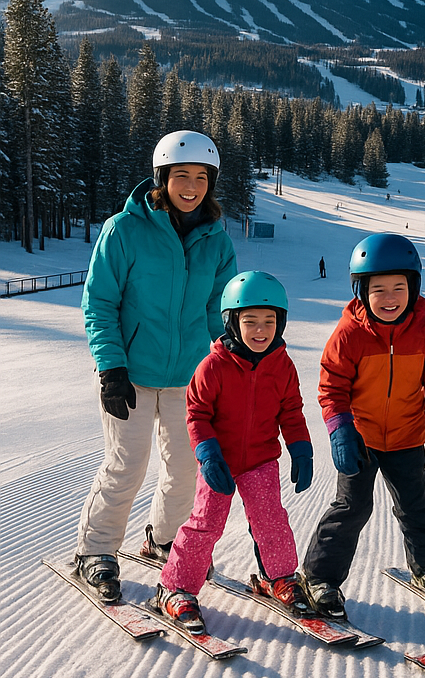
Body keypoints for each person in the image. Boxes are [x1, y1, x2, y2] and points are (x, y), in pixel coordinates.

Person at [76, 131, 237, 603]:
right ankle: (96, 550)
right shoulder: (124, 230)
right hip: (130, 373)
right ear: (161, 178)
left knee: (187, 467)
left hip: (189, 377)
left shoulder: (216, 240)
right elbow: (100, 302)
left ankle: (164, 540)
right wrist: (110, 368)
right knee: (127, 463)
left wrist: (226, 362)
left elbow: (220, 310)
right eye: (181, 175)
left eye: (201, 177)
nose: (191, 186)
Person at [301, 233, 425, 619]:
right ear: (361, 291)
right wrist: (340, 428)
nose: (390, 298)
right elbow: (332, 386)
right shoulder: (349, 335)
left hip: (407, 437)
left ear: (414, 287)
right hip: (361, 437)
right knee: (352, 507)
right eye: (378, 289)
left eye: (399, 287)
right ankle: (319, 576)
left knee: (416, 506)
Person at [153, 272, 314, 633]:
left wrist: (301, 449)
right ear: (232, 322)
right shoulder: (213, 366)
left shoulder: (282, 366)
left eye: (269, 321)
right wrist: (208, 453)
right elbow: (196, 412)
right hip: (219, 462)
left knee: (270, 519)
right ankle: (175, 587)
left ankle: (279, 577)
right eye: (250, 321)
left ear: (281, 322)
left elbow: (291, 411)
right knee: (207, 523)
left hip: (261, 460)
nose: (261, 330)